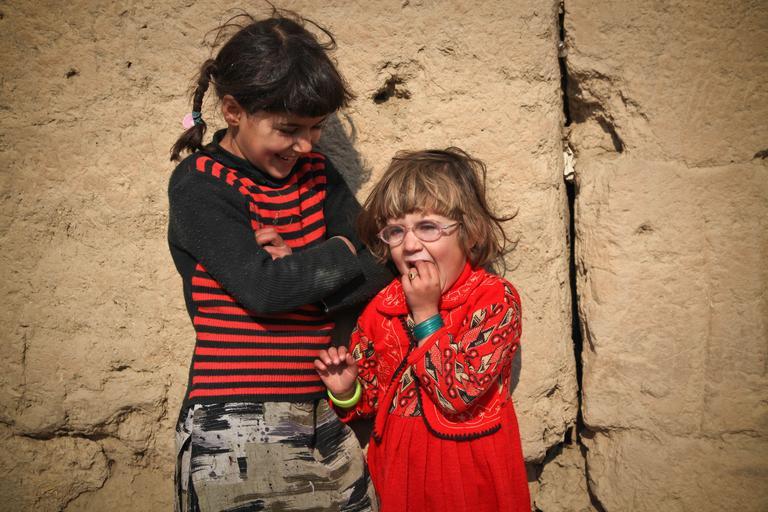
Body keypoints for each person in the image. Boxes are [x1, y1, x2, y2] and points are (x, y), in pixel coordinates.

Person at [167, 10, 392, 512]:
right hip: (234, 422)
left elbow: (381, 259)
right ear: (233, 111)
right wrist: (339, 251)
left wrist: (300, 267)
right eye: (288, 129)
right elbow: (265, 291)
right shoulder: (200, 185)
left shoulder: (316, 174)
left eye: (316, 128)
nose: (305, 145)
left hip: (323, 412)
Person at [315, 148, 531, 512]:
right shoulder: (381, 308)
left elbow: (458, 393)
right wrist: (347, 390)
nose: (411, 244)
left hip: (469, 471)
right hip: (401, 470)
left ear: (472, 233)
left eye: (428, 227)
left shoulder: (493, 299)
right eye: (395, 231)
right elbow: (371, 400)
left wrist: (426, 314)